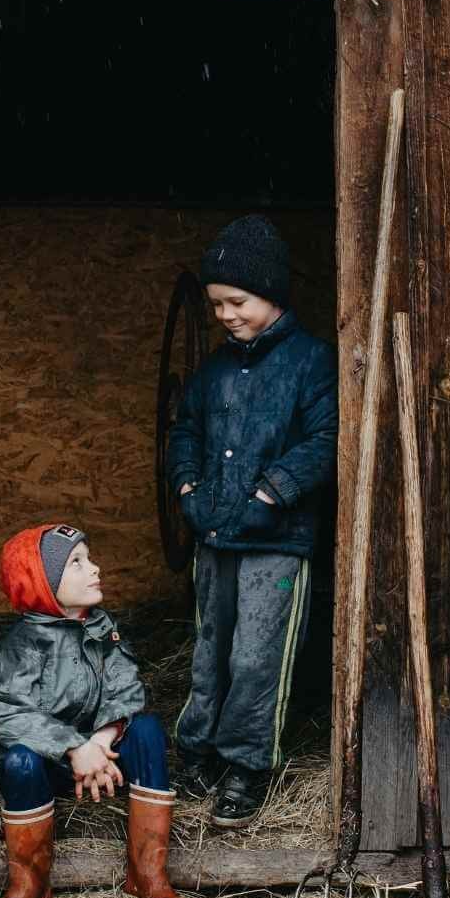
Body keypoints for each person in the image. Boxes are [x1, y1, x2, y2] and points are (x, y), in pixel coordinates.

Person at [165, 214, 338, 829]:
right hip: (215, 535)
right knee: (210, 650)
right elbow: (183, 430)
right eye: (216, 304)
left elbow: (326, 441)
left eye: (237, 301)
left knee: (257, 657)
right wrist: (189, 485)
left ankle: (247, 765)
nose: (225, 314)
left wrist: (270, 495)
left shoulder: (312, 363)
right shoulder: (213, 372)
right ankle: (198, 751)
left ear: (271, 294)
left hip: (278, 544)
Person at [0, 523, 198, 898]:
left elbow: (127, 689)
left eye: (89, 558)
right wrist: (74, 748)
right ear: (42, 581)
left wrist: (99, 742)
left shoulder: (103, 628)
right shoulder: (19, 646)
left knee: (145, 730)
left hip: (101, 758)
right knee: (19, 760)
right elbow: (12, 714)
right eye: (77, 563)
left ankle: (147, 880)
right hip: (49, 765)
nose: (95, 568)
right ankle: (29, 888)